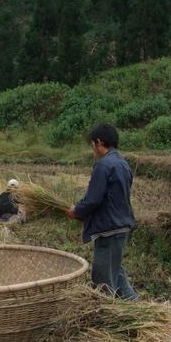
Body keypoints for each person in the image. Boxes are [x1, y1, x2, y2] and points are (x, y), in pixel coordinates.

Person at [65, 123, 138, 300]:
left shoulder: (103, 165)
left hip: (109, 229)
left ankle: (106, 318)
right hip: (121, 226)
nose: (93, 148)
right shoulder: (123, 164)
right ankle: (139, 309)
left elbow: (93, 199)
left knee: (102, 278)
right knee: (116, 273)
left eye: (92, 144)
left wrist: (77, 211)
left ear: (99, 142)